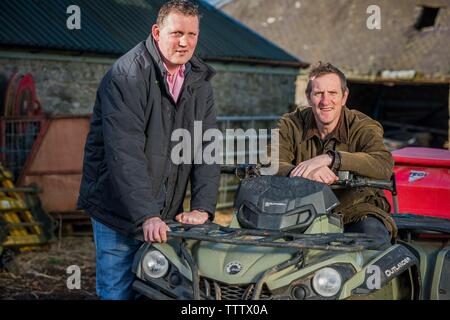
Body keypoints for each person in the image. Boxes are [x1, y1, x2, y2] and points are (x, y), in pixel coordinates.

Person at [77, 0, 220, 300]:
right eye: (176, 32)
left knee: (159, 292)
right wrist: (145, 215)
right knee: (117, 292)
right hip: (117, 211)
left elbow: (205, 147)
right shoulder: (127, 76)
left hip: (165, 217)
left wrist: (202, 208)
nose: (184, 42)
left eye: (192, 34)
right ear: (156, 32)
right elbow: (124, 153)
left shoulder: (199, 82)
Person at [276, 62, 397, 242]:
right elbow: (268, 163)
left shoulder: (363, 126)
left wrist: (331, 159)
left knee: (373, 242)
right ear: (308, 97)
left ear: (344, 96)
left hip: (355, 210)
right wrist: (303, 173)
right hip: (300, 210)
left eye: (332, 93)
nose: (325, 101)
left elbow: (383, 163)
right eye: (318, 94)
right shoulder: (290, 123)